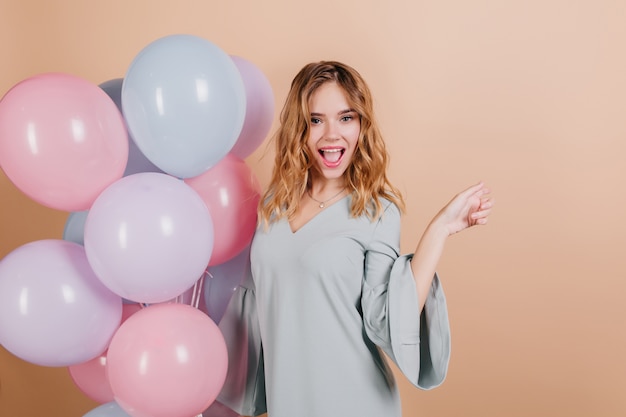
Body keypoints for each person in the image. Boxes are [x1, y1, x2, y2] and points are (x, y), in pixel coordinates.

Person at [216, 61, 493, 417]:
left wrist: (440, 228)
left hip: (356, 402)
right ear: (299, 129)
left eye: (346, 118)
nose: (332, 135)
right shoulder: (272, 205)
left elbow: (386, 318)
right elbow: (254, 308)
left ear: (362, 125)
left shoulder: (376, 211)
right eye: (316, 120)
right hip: (291, 402)